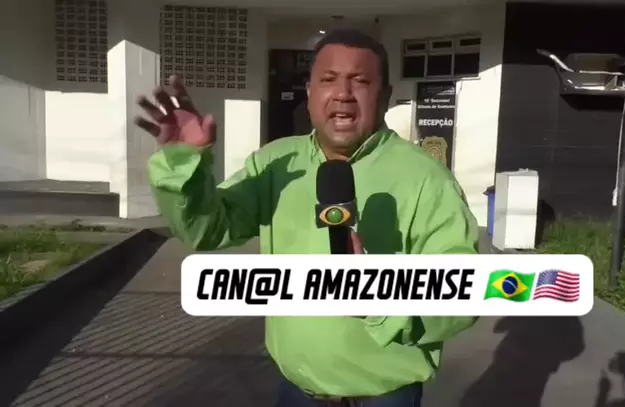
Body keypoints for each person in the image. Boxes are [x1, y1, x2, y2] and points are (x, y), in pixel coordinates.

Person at [135, 29, 479, 407]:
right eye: (328, 79)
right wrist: (184, 164)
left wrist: (377, 295)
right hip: (296, 392)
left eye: (360, 81)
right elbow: (207, 230)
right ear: (310, 92)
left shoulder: (427, 179)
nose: (343, 93)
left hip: (385, 398)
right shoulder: (275, 162)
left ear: (385, 96)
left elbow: (463, 293)